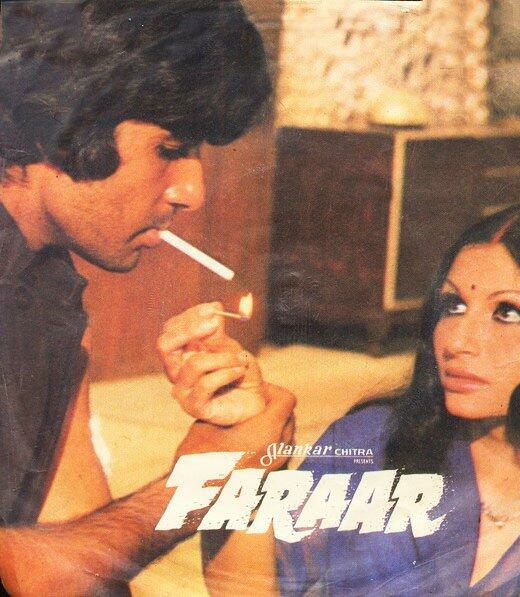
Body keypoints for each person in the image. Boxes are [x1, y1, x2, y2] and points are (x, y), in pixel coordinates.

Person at [0, 1, 294, 594]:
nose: (192, 192)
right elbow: (20, 572)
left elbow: (73, 565)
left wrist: (237, 452)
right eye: (170, 148)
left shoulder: (47, 285)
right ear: (64, 118)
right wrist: (195, 486)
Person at [193, 203, 520, 595]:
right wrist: (242, 447)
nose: (457, 341)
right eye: (454, 305)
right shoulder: (370, 447)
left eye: (507, 312)